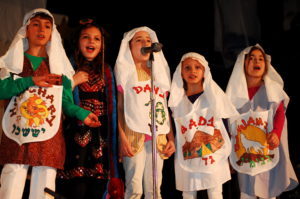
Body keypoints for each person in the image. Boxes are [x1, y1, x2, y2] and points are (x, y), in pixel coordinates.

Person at [0, 8, 100, 199]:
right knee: (10, 187)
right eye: (35, 24)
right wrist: (30, 81)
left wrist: (82, 113)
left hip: (48, 137)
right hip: (16, 135)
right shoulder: (11, 63)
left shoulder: (58, 67)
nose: (41, 29)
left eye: (47, 26)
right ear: (25, 30)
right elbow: (2, 89)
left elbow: (65, 102)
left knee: (44, 188)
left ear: (52, 32)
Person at [56, 19, 123, 199]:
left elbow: (116, 108)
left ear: (102, 45)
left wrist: (120, 140)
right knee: (76, 187)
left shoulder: (107, 71)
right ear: (77, 41)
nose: (91, 42)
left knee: (98, 187)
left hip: (101, 138)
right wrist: (72, 82)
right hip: (74, 137)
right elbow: (55, 99)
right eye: (86, 37)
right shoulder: (67, 66)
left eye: (96, 39)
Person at [226, 44, 299, 199]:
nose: (256, 61)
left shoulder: (271, 90)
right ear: (243, 64)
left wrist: (276, 133)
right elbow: (229, 125)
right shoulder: (234, 94)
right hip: (244, 153)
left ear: (266, 65)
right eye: (251, 59)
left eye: (260, 59)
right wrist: (228, 154)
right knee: (246, 189)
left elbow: (279, 113)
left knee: (268, 188)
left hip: (266, 148)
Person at [114, 26, 176, 199]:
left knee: (155, 189)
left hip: (158, 137)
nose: (145, 43)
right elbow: (119, 108)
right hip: (133, 136)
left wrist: (171, 137)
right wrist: (121, 137)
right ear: (129, 46)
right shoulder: (125, 73)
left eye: (148, 40)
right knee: (134, 189)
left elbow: (163, 108)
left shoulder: (159, 74)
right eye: (139, 40)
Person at [168, 52, 238, 199]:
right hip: (187, 156)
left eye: (197, 67)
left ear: (204, 71)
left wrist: (230, 155)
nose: (192, 71)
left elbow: (225, 126)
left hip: (214, 156)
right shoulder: (176, 102)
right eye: (187, 68)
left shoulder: (214, 97)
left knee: (215, 193)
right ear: (180, 73)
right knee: (188, 193)